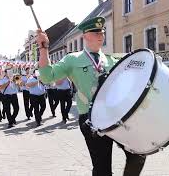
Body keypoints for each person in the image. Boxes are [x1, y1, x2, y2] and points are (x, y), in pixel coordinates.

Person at [36, 16, 146, 176]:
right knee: (102, 169)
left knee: (138, 154)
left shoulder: (112, 60)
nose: (101, 35)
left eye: (102, 32)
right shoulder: (72, 59)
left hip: (116, 116)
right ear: (85, 36)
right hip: (91, 119)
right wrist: (44, 48)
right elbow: (47, 76)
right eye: (96, 33)